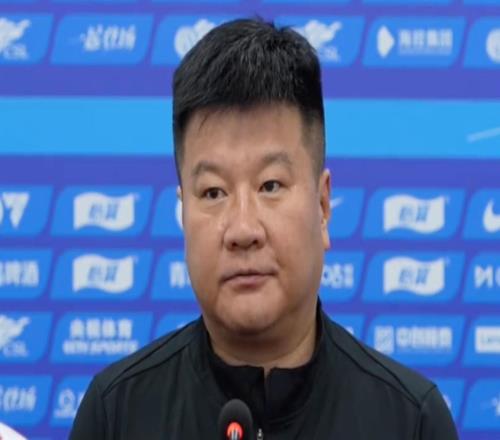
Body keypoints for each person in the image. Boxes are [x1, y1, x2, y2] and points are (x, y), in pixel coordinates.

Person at [70, 18, 458, 439]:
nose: (242, 229)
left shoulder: (409, 420)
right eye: (213, 192)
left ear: (322, 206)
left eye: (270, 185)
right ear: (183, 211)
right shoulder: (116, 412)